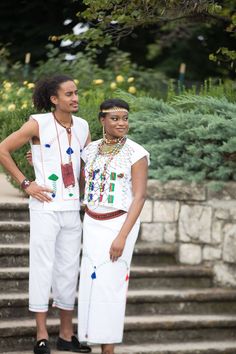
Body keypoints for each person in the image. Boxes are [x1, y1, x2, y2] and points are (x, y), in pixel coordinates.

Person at [0, 75, 91, 354]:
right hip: (45, 208)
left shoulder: (83, 126)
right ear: (54, 99)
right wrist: (26, 184)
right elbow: (3, 149)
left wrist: (87, 198)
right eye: (69, 94)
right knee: (42, 268)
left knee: (68, 270)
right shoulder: (37, 123)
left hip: (72, 209)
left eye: (76, 93)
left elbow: (85, 165)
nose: (75, 98)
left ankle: (66, 335)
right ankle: (41, 335)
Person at [78, 98, 149, 354]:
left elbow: (139, 197)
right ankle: (90, 336)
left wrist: (121, 236)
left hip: (119, 224)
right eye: (115, 118)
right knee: (91, 281)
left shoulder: (136, 153)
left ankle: (108, 347)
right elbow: (78, 179)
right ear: (102, 120)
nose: (122, 123)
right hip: (92, 222)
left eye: (125, 118)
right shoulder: (90, 150)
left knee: (111, 285)